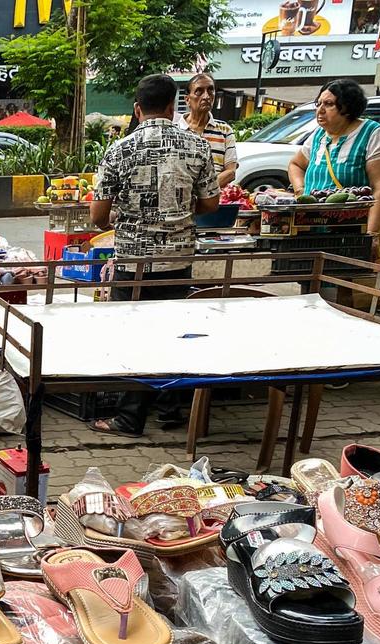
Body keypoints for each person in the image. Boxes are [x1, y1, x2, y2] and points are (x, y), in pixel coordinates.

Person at [87, 73, 220, 438]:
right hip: (178, 260)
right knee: (173, 332)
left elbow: (98, 216)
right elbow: (211, 203)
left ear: (137, 108)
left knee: (133, 337)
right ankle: (170, 409)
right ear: (172, 106)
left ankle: (129, 418)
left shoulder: (119, 150)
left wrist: (125, 214)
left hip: (134, 262)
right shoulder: (197, 146)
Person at [287, 78, 380, 242]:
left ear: (347, 108)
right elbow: (295, 165)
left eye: (329, 104)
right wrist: (301, 192)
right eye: (319, 103)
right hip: (310, 228)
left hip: (350, 231)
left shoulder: (372, 133)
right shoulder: (318, 135)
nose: (320, 110)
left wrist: (370, 235)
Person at [177, 73, 238, 189]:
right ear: (187, 100)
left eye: (210, 90)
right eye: (199, 91)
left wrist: (205, 193)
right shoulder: (175, 130)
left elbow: (231, 172)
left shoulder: (225, 130)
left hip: (213, 202)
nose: (206, 96)